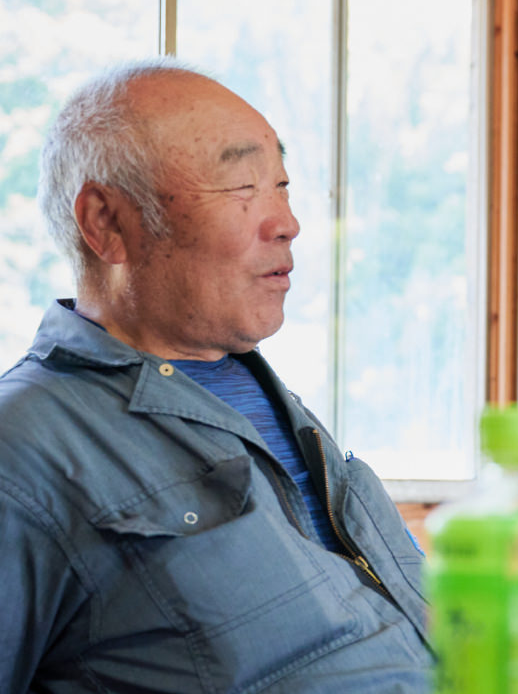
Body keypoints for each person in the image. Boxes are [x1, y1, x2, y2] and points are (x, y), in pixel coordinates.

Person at [0, 59, 432, 693]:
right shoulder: (25, 446)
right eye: (241, 189)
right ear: (106, 223)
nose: (288, 222)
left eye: (282, 185)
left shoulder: (271, 403)